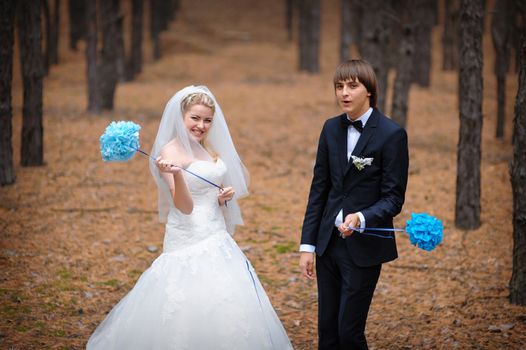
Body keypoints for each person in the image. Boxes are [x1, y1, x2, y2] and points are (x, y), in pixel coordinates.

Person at [87, 85, 293, 349]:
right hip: (188, 238)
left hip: (216, 235)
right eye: (195, 118)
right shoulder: (169, 154)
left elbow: (207, 193)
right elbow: (184, 206)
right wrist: (176, 175)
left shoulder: (204, 148)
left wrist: (221, 198)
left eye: (207, 120)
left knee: (225, 303)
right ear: (181, 116)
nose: (201, 125)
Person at [299, 59, 409, 350]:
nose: (344, 93)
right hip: (327, 246)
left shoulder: (392, 134)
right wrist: (308, 246)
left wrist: (361, 217)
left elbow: (394, 198)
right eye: (339, 86)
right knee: (327, 333)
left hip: (364, 248)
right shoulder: (330, 128)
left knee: (349, 334)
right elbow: (319, 190)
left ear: (369, 90)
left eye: (352, 86)